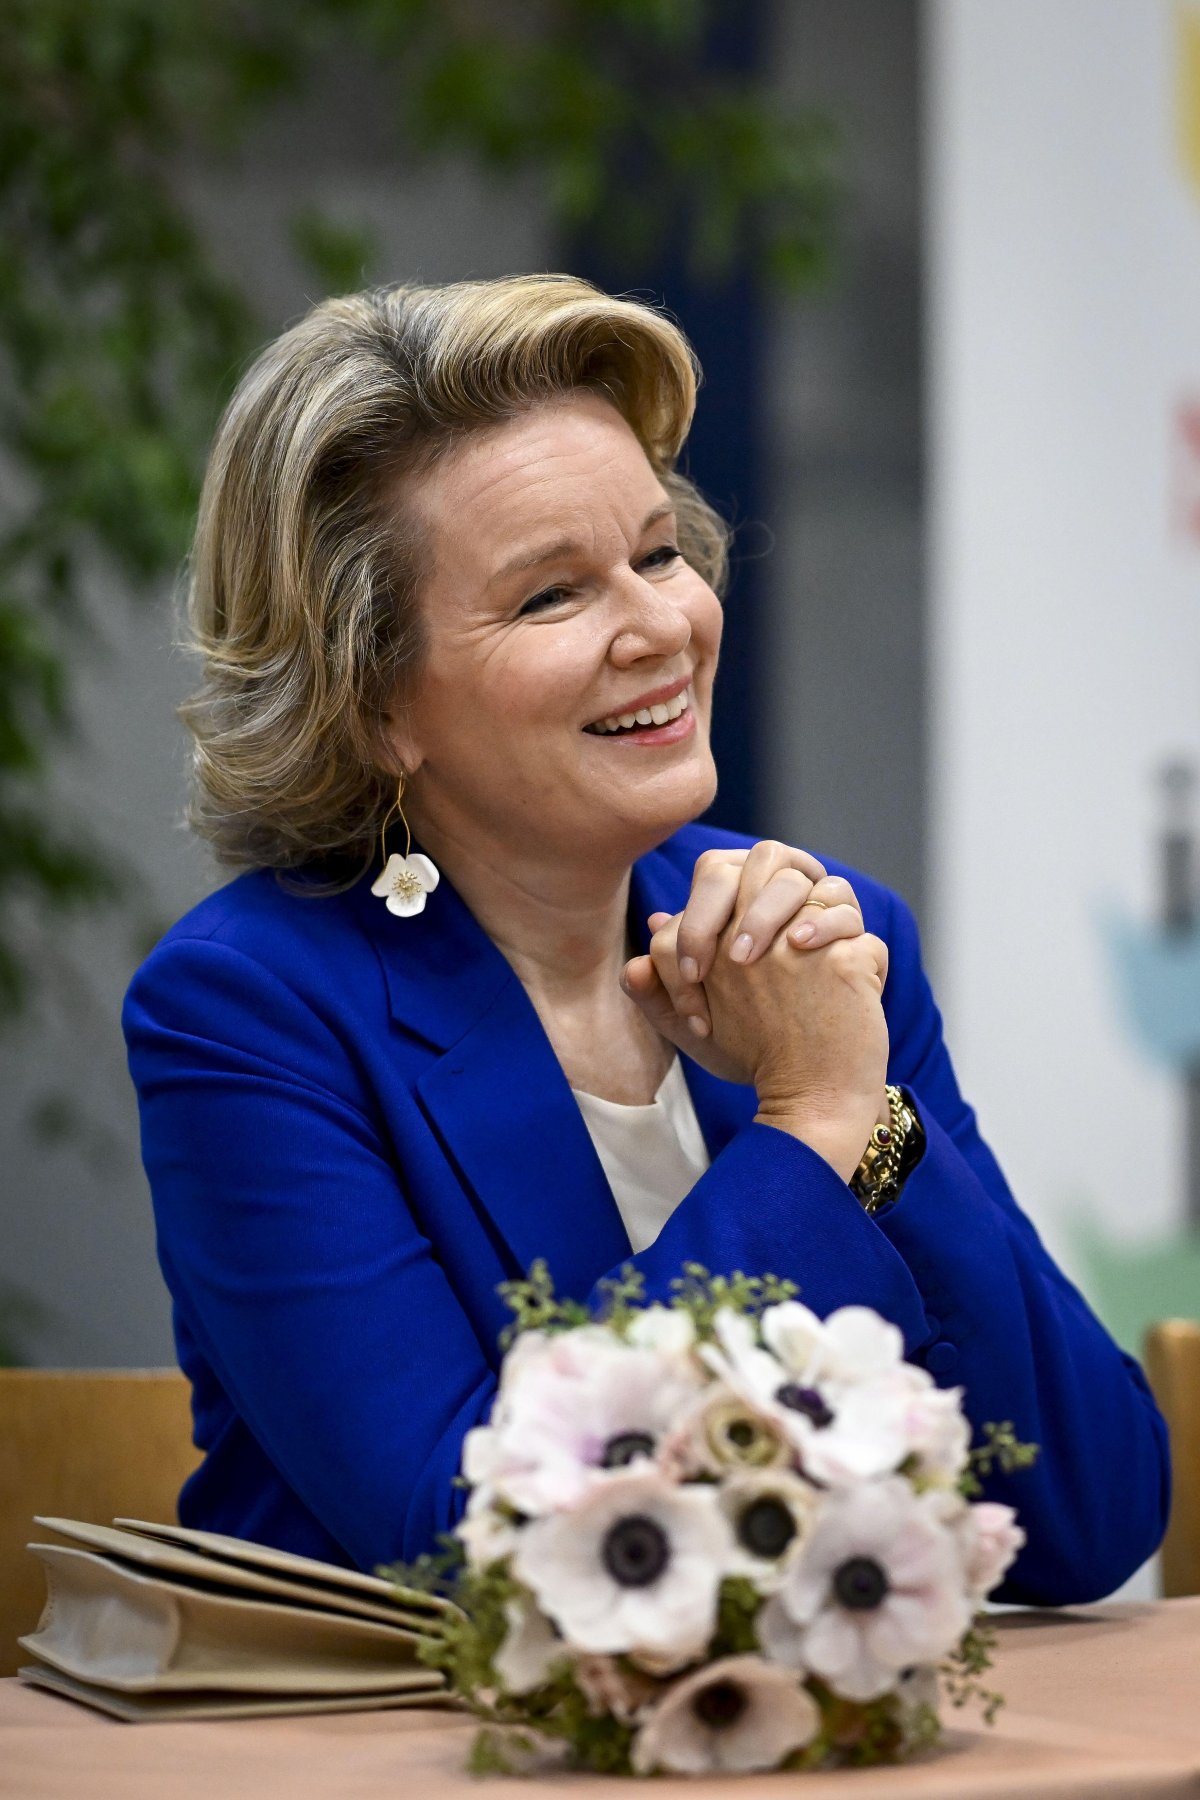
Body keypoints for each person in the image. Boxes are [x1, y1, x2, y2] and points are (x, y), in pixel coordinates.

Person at [124, 274, 1168, 1604]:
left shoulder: (826, 940)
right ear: (374, 698)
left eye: (658, 553)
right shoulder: (250, 1007)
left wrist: (875, 1126)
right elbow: (469, 1543)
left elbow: (1096, 1509)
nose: (663, 626)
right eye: (554, 595)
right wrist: (806, 1128)